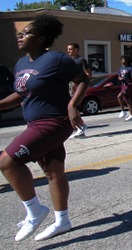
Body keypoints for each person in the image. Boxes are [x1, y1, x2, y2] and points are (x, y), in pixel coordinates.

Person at [0, 14, 89, 241]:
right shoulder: (21, 64)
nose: (20, 36)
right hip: (34, 122)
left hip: (54, 122)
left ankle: (34, 211)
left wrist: (72, 104)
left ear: (40, 38)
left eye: (26, 33)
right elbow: (21, 95)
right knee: (53, 171)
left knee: (7, 161)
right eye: (19, 33)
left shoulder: (57, 59)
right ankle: (62, 221)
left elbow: (82, 80)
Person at [66, 42, 91, 138]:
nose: (68, 51)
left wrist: (79, 84)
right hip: (69, 84)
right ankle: (79, 130)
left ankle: (81, 126)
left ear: (76, 49)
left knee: (73, 105)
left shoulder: (81, 60)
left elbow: (88, 74)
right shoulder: (68, 60)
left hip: (77, 85)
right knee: (71, 106)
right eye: (68, 49)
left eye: (70, 49)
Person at [117, 54, 132, 121]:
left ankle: (123, 111)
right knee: (128, 100)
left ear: (127, 61)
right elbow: (118, 76)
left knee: (119, 96)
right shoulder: (120, 68)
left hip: (128, 85)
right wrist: (120, 78)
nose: (122, 61)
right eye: (121, 60)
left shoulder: (130, 68)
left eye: (123, 60)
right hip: (123, 85)